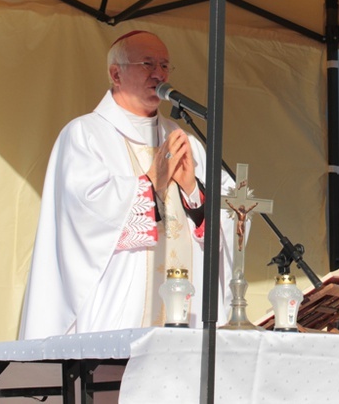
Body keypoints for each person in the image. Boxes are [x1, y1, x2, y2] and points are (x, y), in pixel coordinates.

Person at [19, 30, 236, 339]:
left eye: (164, 65)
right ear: (115, 74)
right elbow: (85, 217)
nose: (159, 74)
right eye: (147, 63)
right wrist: (150, 183)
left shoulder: (186, 141)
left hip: (188, 308)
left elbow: (228, 214)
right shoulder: (85, 135)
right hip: (118, 302)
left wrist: (191, 192)